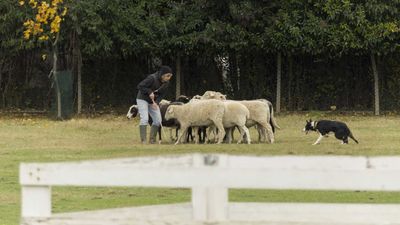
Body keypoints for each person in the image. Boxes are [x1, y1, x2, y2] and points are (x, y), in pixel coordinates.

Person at [136, 65, 173, 144]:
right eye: (167, 76)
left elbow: (162, 94)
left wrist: (156, 103)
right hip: (142, 99)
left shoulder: (166, 83)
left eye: (170, 76)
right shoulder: (152, 78)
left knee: (158, 120)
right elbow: (140, 86)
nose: (169, 78)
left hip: (153, 102)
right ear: (162, 75)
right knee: (145, 119)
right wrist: (149, 92)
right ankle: (144, 141)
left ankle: (152, 140)